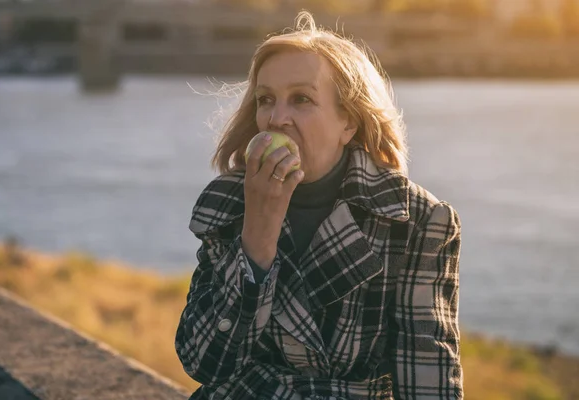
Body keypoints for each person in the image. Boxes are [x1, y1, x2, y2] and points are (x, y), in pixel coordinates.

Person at [176, 11, 463, 400]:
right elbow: (203, 363)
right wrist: (257, 235)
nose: (277, 119)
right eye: (266, 100)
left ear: (349, 121)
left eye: (302, 100)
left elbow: (428, 379)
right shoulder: (227, 204)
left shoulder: (417, 220)